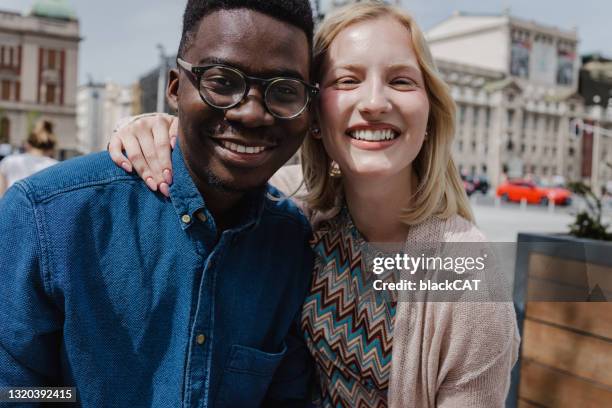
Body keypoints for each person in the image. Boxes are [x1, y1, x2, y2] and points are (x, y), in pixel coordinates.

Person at [110, 2, 520, 407]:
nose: (375, 102)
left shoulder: (469, 274)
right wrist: (153, 128)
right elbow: (213, 169)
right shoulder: (296, 203)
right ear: (314, 116)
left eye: (400, 81)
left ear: (430, 112)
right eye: (347, 80)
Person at [0, 1, 320, 406]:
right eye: (222, 81)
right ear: (175, 87)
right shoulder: (47, 217)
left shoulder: (293, 243)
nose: (252, 113)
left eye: (284, 91)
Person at [0, 120, 57, 197]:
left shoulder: (8, 161)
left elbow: (1, 193)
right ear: (51, 148)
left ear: (27, 144)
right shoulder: (56, 166)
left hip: (11, 207)